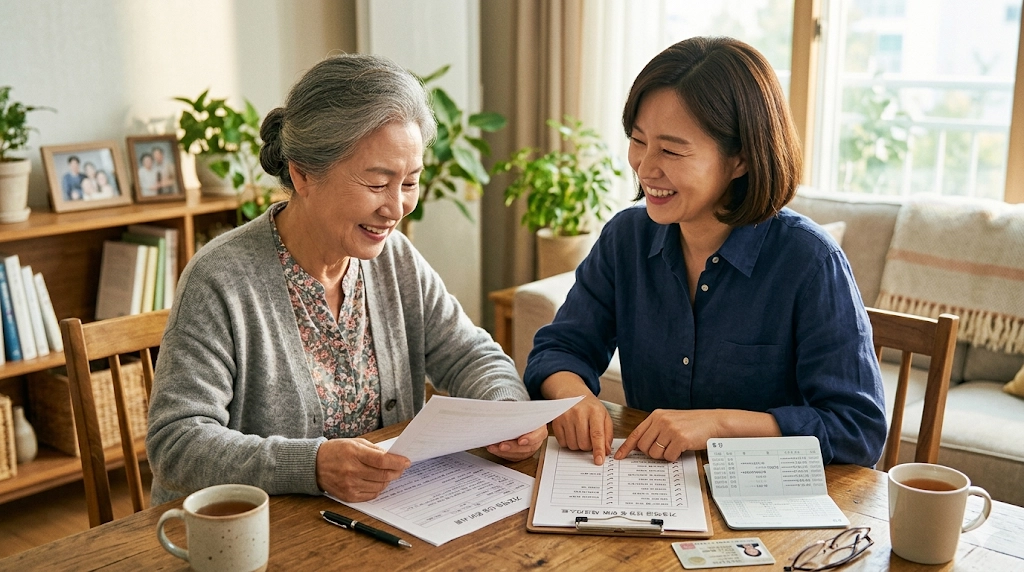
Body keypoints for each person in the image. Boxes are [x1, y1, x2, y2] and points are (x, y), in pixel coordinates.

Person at [147, 53, 547, 505]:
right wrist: (313, 465)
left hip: (382, 520)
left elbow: (469, 353)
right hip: (252, 537)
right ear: (303, 174)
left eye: (410, 182)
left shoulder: (394, 258)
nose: (396, 208)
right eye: (378, 184)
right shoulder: (221, 278)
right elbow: (177, 444)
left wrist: (506, 408)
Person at [524, 37, 886, 468]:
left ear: (741, 160)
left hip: (769, 510)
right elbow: (559, 349)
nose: (644, 166)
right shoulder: (627, 238)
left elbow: (858, 429)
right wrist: (574, 399)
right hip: (651, 489)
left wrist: (718, 426)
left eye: (672, 150)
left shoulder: (810, 262)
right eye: (639, 140)